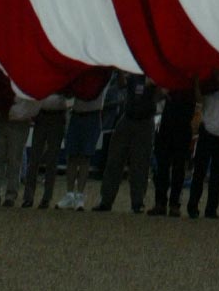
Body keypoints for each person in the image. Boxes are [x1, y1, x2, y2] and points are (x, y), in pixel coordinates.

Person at [96, 72, 161, 213]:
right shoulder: (133, 69)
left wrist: (154, 84)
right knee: (114, 159)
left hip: (145, 119)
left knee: (140, 163)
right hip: (128, 116)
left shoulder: (153, 71)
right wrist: (119, 70)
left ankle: (137, 202)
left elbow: (160, 94)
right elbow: (121, 84)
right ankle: (106, 200)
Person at [186, 77, 219, 220]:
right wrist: (197, 84)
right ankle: (193, 206)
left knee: (216, 175)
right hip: (207, 130)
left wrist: (215, 74)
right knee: (199, 171)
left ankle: (211, 208)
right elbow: (199, 100)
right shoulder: (206, 85)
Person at [0, 90, 38, 206]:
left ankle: (10, 195)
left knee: (14, 160)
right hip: (4, 119)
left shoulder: (27, 84)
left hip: (20, 121)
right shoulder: (7, 81)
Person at [151, 84, 195, 215]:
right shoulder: (169, 80)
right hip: (168, 123)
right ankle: (160, 202)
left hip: (183, 124)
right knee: (163, 165)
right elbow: (156, 98)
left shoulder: (190, 80)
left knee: (178, 167)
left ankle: (174, 203)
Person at [22, 91, 70, 209]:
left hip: (57, 115)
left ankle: (46, 197)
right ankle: (28, 197)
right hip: (41, 115)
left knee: (52, 160)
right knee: (34, 158)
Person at [61, 86, 105, 211]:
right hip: (76, 113)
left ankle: (80, 195)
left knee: (85, 156)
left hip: (92, 114)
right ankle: (69, 193)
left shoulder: (100, 76)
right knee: (72, 156)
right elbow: (69, 94)